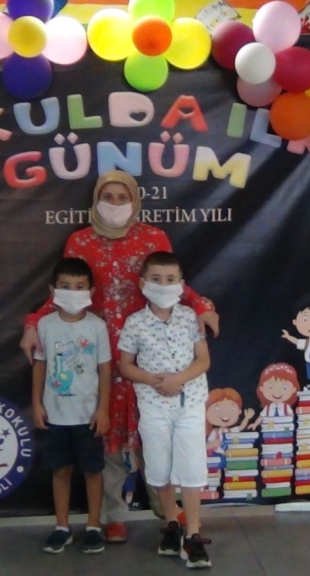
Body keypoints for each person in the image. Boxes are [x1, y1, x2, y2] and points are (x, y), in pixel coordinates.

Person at [20, 170, 220, 542]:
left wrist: (202, 306)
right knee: (106, 433)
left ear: (134, 200)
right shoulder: (80, 241)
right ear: (96, 200)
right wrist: (33, 324)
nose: (115, 204)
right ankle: (114, 514)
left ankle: (166, 509)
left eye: (122, 197)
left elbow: (172, 281)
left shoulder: (153, 237)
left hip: (145, 349)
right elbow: (63, 294)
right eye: (107, 197)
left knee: (152, 430)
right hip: (95, 351)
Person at [118, 252, 212, 569]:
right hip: (154, 405)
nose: (163, 285)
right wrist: (155, 381)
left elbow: (203, 359)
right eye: (156, 279)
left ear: (181, 285)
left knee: (192, 465)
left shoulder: (190, 317)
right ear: (143, 283)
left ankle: (193, 533)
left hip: (189, 403)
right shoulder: (134, 322)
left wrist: (177, 380)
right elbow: (125, 365)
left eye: (170, 279)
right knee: (158, 466)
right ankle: (172, 523)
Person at [31, 258, 112, 554]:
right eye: (66, 286)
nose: (73, 292)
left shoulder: (97, 327)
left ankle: (93, 526)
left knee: (93, 471)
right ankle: (62, 527)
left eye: (80, 287)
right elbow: (40, 366)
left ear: (91, 291)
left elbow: (105, 369)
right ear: (53, 290)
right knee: (60, 471)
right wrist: (36, 404)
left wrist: (102, 409)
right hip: (55, 415)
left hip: (88, 415)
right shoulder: (45, 325)